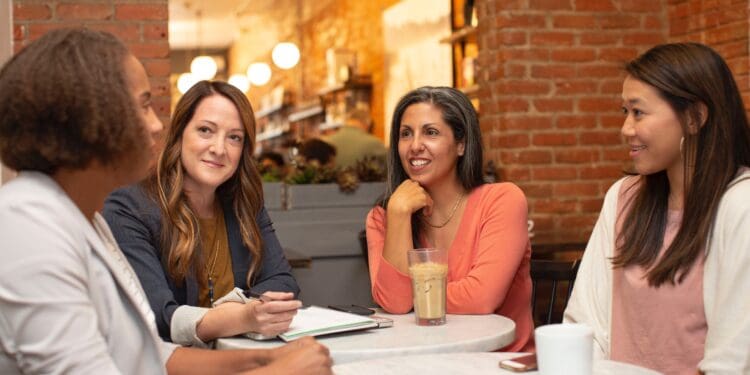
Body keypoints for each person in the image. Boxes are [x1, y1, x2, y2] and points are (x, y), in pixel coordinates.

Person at [0, 28, 331, 374]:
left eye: (234, 138)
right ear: (90, 118)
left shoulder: (86, 218)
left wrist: (263, 359)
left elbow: (151, 354)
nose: (157, 126)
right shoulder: (26, 224)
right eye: (144, 106)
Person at [564, 43, 750, 374]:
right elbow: (585, 322)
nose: (626, 129)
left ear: (695, 117)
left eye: (639, 112)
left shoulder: (739, 205)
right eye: (625, 112)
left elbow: (731, 363)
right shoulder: (623, 197)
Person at [103, 81, 301, 347]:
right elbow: (157, 316)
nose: (219, 149)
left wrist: (239, 312)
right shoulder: (130, 208)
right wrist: (243, 316)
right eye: (206, 130)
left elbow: (283, 282)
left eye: (234, 137)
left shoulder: (245, 203)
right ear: (179, 134)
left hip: (241, 361)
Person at [365, 86, 534, 352]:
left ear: (461, 144)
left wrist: (414, 296)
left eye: (430, 132)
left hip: (499, 364)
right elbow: (396, 304)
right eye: (406, 134)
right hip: (425, 362)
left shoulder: (502, 200)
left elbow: (482, 298)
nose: (415, 146)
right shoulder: (383, 217)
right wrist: (398, 215)